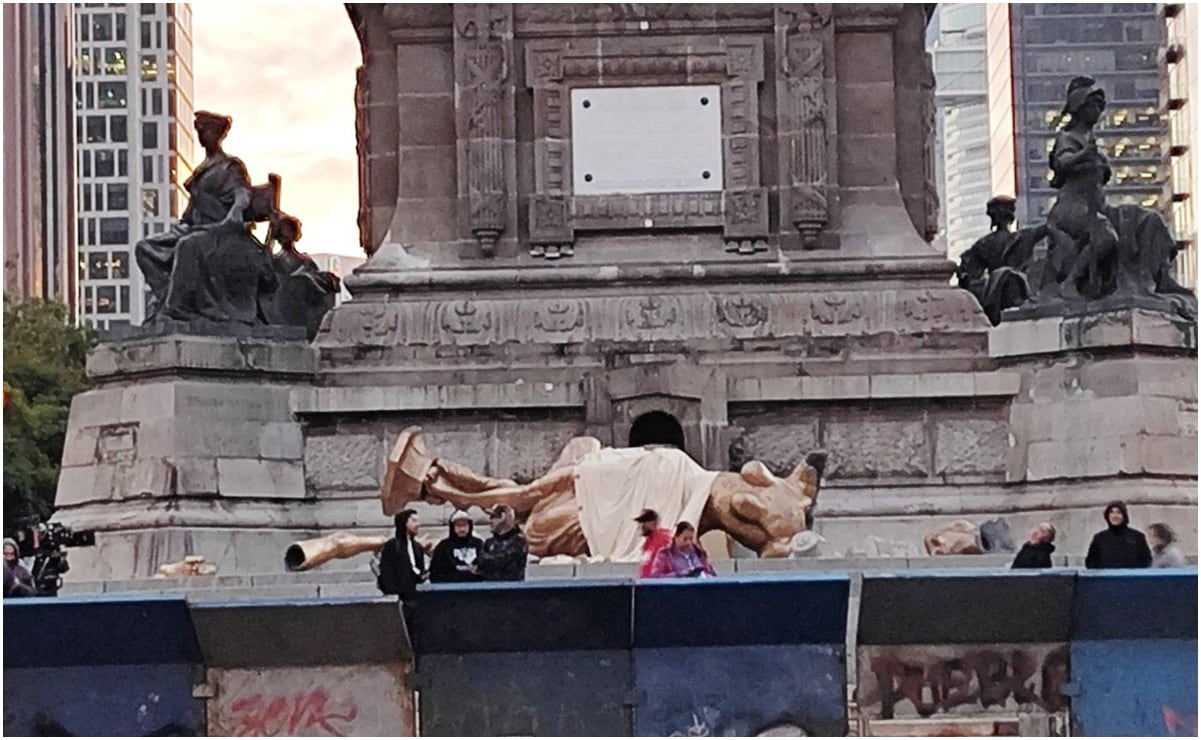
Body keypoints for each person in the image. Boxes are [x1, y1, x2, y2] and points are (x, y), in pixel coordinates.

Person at [135, 110, 276, 325]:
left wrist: (236, 211)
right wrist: (183, 223)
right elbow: (192, 211)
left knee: (187, 246)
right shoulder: (201, 171)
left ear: (218, 135)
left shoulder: (230, 166)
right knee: (144, 248)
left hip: (222, 231)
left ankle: (178, 307)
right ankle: (168, 298)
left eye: (206, 130)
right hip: (195, 228)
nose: (202, 135)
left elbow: (242, 193)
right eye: (200, 131)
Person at [1084, 501, 1152, 569]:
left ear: (1124, 516)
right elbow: (1091, 563)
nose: (1115, 516)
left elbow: (1146, 561)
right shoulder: (1099, 539)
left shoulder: (1137, 537)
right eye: (1112, 512)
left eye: (1119, 512)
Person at [376, 509, 427, 599]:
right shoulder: (393, 545)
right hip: (399, 596)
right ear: (404, 523)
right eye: (414, 521)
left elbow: (419, 570)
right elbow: (386, 571)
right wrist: (393, 591)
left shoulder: (417, 547)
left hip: (415, 595)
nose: (418, 524)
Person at [429, 510, 484, 583]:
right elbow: (434, 572)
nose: (462, 529)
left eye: (464, 525)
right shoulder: (443, 547)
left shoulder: (479, 544)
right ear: (452, 527)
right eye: (458, 525)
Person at [475, 505, 528, 581]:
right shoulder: (489, 542)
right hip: (489, 589)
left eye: (493, 517)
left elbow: (501, 561)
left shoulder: (518, 541)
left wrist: (486, 563)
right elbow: (480, 562)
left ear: (502, 518)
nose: (490, 521)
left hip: (512, 589)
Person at [649, 522, 717, 579]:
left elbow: (712, 573)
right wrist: (678, 575)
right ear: (676, 537)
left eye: (691, 539)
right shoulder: (665, 555)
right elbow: (655, 577)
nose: (689, 542)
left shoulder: (698, 552)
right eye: (685, 539)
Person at [635, 508, 673, 578]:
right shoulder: (648, 543)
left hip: (658, 582)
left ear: (651, 523)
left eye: (642, 522)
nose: (640, 526)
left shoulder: (662, 538)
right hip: (647, 581)